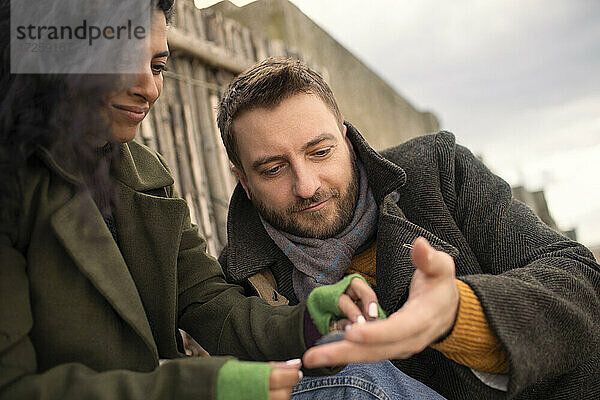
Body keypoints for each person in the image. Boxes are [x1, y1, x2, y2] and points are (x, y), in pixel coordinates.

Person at [0, 3, 380, 399]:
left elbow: (211, 303)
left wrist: (309, 322)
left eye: (157, 66)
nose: (148, 87)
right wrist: (202, 388)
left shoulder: (147, 176)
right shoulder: (14, 187)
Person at [215, 57, 600, 399]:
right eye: (273, 169)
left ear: (347, 141)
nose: (307, 185)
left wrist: (459, 313)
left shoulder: (435, 171)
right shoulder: (241, 279)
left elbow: (581, 280)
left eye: (320, 152)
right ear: (244, 181)